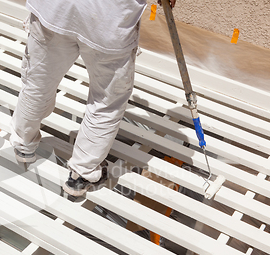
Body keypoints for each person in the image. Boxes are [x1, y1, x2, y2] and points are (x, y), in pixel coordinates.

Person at [10, 0, 176, 196]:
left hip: (54, 9)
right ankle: (82, 173)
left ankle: (23, 144)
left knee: (38, 82)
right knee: (106, 103)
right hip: (108, 23)